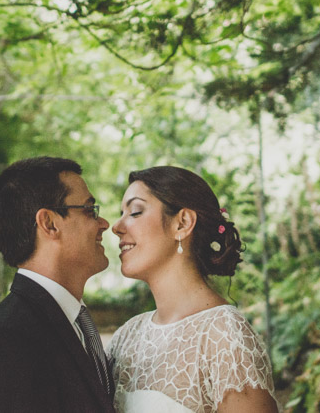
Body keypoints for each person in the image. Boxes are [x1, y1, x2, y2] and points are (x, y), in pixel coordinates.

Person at [108, 166, 280, 413]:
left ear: (183, 223)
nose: (116, 226)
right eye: (121, 213)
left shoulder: (225, 337)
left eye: (135, 212)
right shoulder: (126, 337)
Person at [0, 156, 115, 412]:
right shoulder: (5, 344)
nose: (104, 223)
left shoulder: (70, 322)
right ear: (49, 223)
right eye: (89, 210)